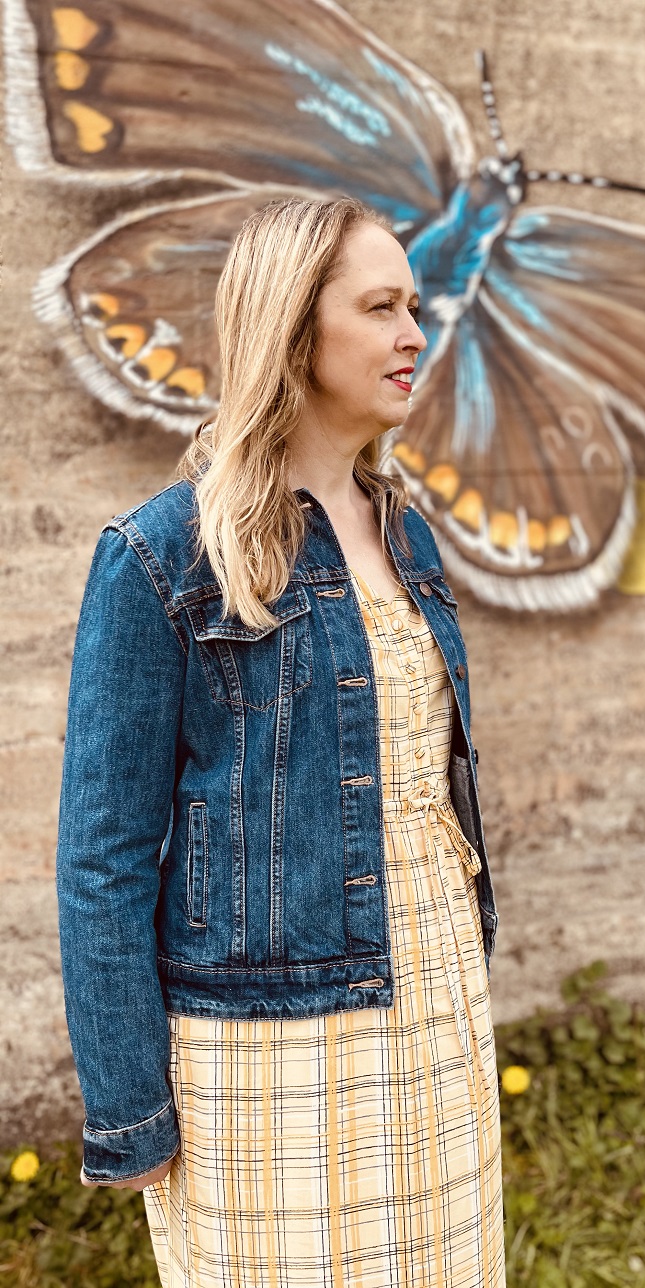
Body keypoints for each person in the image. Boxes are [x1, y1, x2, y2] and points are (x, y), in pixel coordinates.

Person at [56, 195, 504, 1286]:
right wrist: (130, 1107)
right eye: (383, 307)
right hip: (264, 1039)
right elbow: (102, 856)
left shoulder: (409, 535)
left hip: (434, 992)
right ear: (296, 330)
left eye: (416, 306)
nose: (416, 334)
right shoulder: (163, 555)